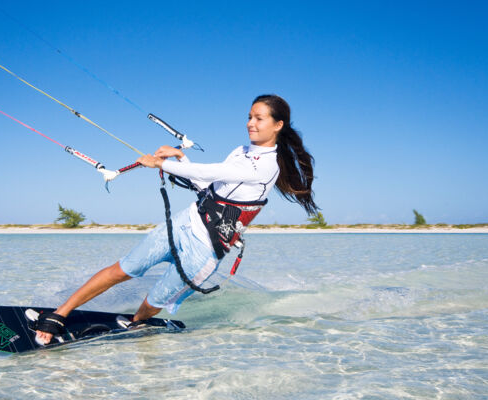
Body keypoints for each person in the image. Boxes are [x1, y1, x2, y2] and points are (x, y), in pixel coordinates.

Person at [34, 94, 317, 344]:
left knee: (154, 300)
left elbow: (214, 173)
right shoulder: (240, 151)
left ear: (278, 125)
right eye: (249, 117)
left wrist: (161, 163)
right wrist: (181, 160)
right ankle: (60, 314)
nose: (250, 123)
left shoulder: (267, 167)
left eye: (259, 118)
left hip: (205, 250)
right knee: (122, 270)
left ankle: (137, 325)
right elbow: (208, 186)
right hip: (183, 224)